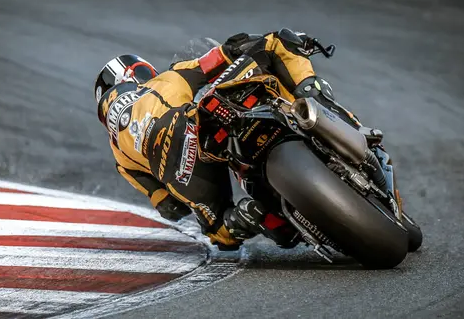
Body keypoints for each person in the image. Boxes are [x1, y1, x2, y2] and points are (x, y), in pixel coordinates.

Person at [93, 28, 368, 250]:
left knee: (221, 233)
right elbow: (218, 57)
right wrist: (241, 45)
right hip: (188, 123)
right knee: (275, 43)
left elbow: (169, 207)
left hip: (184, 173)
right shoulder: (164, 80)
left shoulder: (120, 156)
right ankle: (324, 108)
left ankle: (251, 218)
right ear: (134, 75)